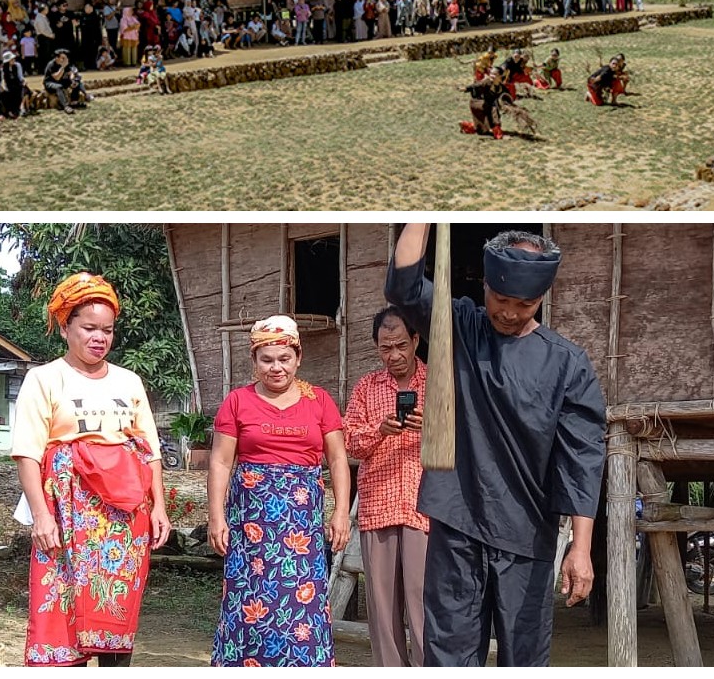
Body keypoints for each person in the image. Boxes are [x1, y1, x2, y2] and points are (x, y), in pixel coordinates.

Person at [383, 225, 607, 667]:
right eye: (500, 300)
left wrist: (580, 548)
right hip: (457, 524)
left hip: (527, 534)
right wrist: (425, 213)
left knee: (523, 660)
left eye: (523, 304)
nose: (508, 313)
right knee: (448, 656)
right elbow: (404, 285)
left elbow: (582, 459)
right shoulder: (461, 327)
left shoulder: (567, 364)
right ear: (484, 285)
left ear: (542, 298)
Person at [10, 273, 169, 667]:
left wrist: (159, 506)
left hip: (125, 516)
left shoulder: (128, 381)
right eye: (89, 328)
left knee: (117, 607)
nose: (99, 337)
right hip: (66, 512)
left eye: (108, 330)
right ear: (66, 327)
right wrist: (42, 517)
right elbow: (27, 454)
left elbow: (149, 450)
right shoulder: (43, 379)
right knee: (62, 607)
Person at [207, 316, 352, 667]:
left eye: (284, 359)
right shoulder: (237, 402)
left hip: (301, 527)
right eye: (267, 359)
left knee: (302, 604)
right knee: (251, 601)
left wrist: (341, 512)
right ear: (254, 361)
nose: (276, 368)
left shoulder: (319, 400)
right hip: (251, 528)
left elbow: (336, 460)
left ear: (298, 358)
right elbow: (221, 463)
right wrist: (216, 517)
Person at [343, 308, 429, 667]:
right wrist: (379, 430)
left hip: (424, 504)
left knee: (423, 597)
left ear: (415, 341)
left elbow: (463, 438)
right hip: (378, 503)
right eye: (384, 348)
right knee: (381, 604)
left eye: (399, 346)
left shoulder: (439, 382)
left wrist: (432, 426)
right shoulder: (366, 386)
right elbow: (349, 442)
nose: (393, 355)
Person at [460, 65, 507, 140]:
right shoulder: (486, 82)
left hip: (486, 104)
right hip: (478, 103)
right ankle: (498, 134)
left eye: (495, 74)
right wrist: (466, 88)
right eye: (491, 73)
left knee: (483, 130)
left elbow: (506, 96)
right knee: (494, 111)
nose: (492, 75)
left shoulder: (501, 87)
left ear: (500, 76)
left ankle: (466, 126)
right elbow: (477, 85)